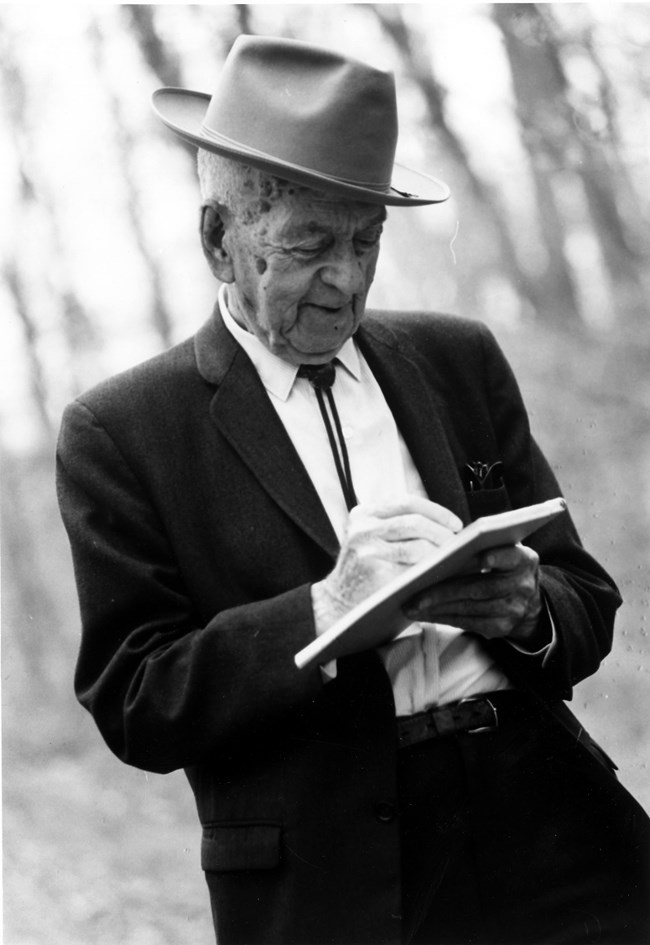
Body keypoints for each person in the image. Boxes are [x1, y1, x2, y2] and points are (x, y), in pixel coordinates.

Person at [56, 35, 649, 945]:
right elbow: (134, 698)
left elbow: (589, 603)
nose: (349, 280)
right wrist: (324, 611)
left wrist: (530, 606)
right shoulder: (123, 431)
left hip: (554, 831)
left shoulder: (459, 359)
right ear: (220, 239)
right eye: (310, 245)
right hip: (332, 884)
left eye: (366, 241)